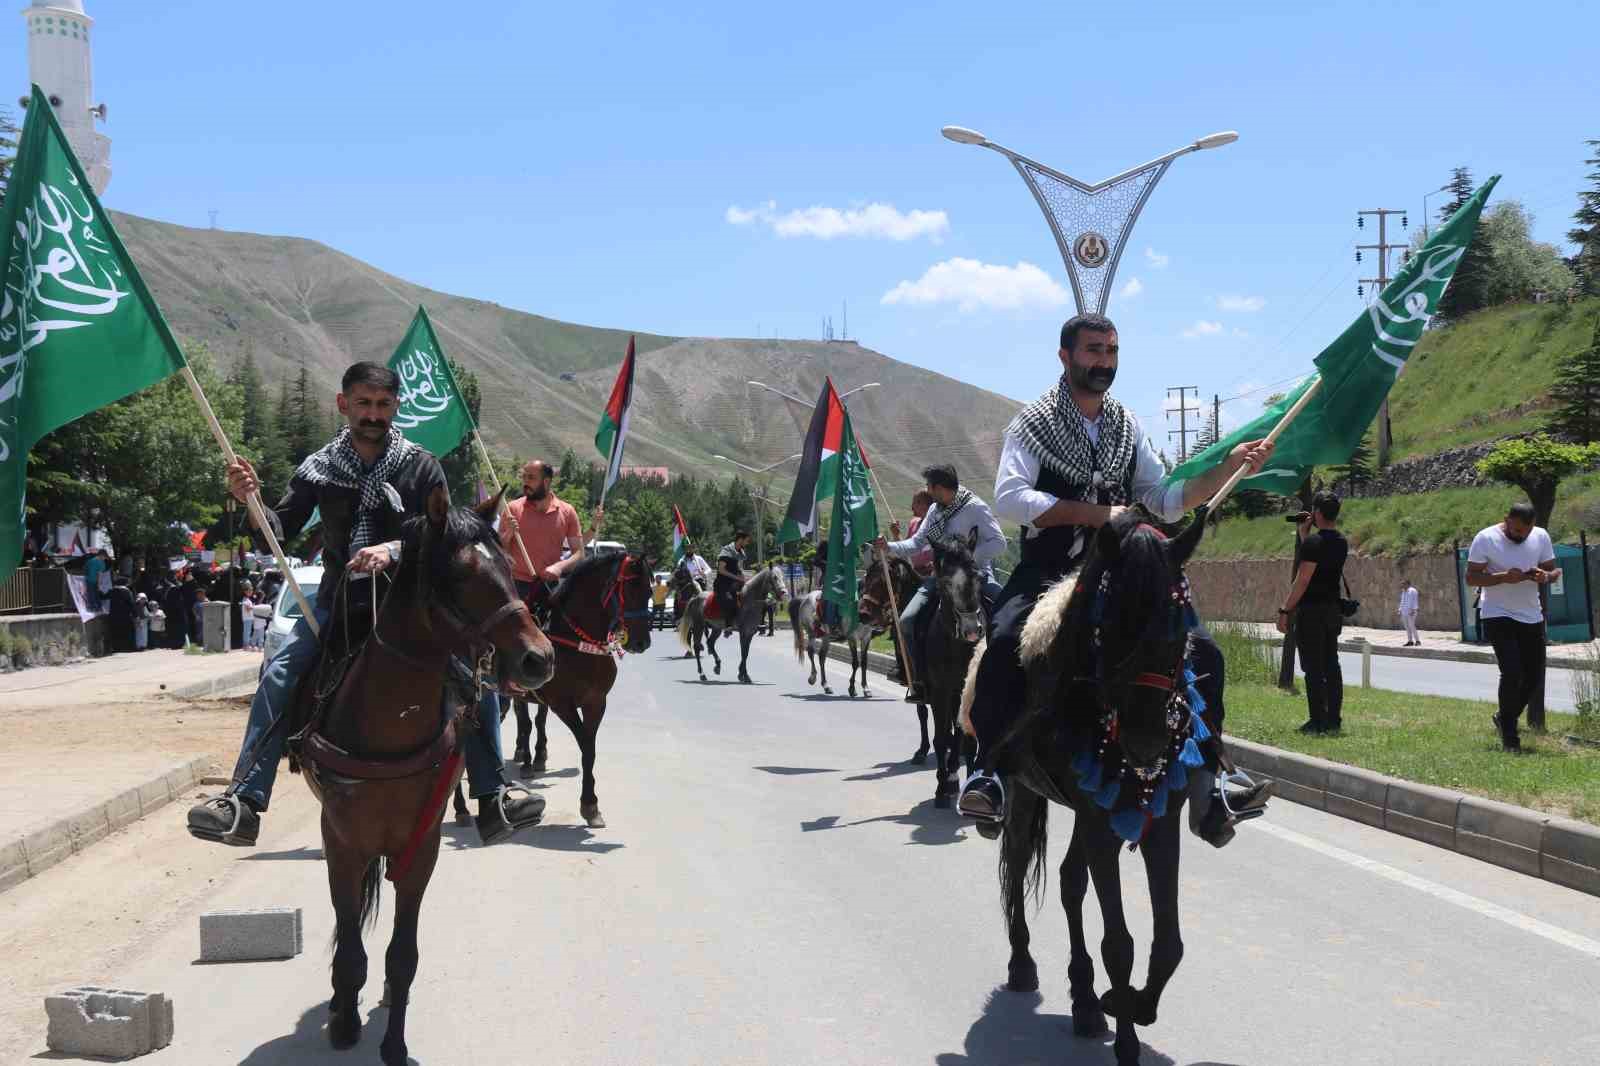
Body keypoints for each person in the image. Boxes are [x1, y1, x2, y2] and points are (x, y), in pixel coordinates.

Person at [187, 361, 544, 849]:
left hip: (411, 608)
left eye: (382, 404)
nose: (373, 414)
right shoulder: (318, 468)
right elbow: (281, 526)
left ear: (396, 407)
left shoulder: (421, 465)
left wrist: (393, 549)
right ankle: (244, 800)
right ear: (344, 405)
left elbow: (444, 537)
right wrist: (249, 499)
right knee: (278, 673)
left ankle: (493, 793)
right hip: (338, 605)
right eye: (363, 404)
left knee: (475, 673)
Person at [960, 313, 1275, 832]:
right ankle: (988, 772)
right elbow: (1011, 498)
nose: (1104, 361)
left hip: (1122, 571)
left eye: (1111, 351)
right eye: (1093, 351)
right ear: (1066, 357)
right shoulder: (1031, 424)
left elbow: (1164, 500)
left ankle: (1213, 780)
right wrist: (1098, 514)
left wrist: (1228, 470)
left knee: (1203, 649)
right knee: (1003, 640)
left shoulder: (1127, 426)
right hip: (1048, 568)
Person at [873, 464, 1006, 704]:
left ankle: (1003, 678)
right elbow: (916, 543)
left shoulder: (975, 507)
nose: (928, 492)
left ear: (939, 488)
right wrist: (889, 547)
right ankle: (919, 680)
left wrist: (965, 560)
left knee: (1008, 616)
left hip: (975, 577)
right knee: (907, 620)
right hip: (941, 578)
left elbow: (999, 543)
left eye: (930, 488)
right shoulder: (935, 510)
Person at [1466, 501, 1555, 752]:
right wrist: (1503, 577)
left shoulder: (1540, 536)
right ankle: (1510, 738)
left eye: (1525, 533)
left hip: (1531, 614)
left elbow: (1553, 570)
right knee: (1512, 672)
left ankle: (1504, 717)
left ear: (1532, 526)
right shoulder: (1485, 539)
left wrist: (1545, 576)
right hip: (1497, 613)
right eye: (1516, 531)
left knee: (1534, 675)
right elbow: (1471, 577)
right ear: (1506, 520)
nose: (1520, 536)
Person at [1275, 492, 1348, 734]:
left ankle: (1317, 720)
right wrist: (1304, 536)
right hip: (1332, 610)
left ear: (1316, 512)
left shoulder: (1313, 544)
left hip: (1312, 612)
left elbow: (1303, 580)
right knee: (1331, 665)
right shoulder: (1340, 541)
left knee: (1313, 668)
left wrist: (1285, 610)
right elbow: (1321, 560)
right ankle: (1333, 719)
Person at [499, 459, 587, 608]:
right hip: (515, 588)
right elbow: (499, 550)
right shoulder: (511, 509)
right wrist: (508, 534)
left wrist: (559, 567)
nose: (525, 482)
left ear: (546, 482)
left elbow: (579, 554)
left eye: (531, 478)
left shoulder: (567, 511)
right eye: (524, 477)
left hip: (550, 588)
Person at [713, 531, 753, 625]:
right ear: (740, 540)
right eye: (746, 541)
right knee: (730, 600)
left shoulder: (741, 552)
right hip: (723, 584)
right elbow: (721, 570)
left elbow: (739, 568)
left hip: (735, 583)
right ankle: (728, 625)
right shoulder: (726, 551)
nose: (747, 543)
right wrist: (737, 578)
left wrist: (744, 578)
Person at [1398, 578, 1420, 646]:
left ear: (1407, 584)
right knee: (1407, 627)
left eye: (1403, 584)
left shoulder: (1413, 591)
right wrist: (1399, 610)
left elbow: (1415, 600)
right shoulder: (1403, 591)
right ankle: (1410, 641)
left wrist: (1413, 610)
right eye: (1402, 584)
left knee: (1412, 626)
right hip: (1404, 611)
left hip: (1411, 611)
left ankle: (1417, 641)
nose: (1402, 585)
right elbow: (1402, 601)